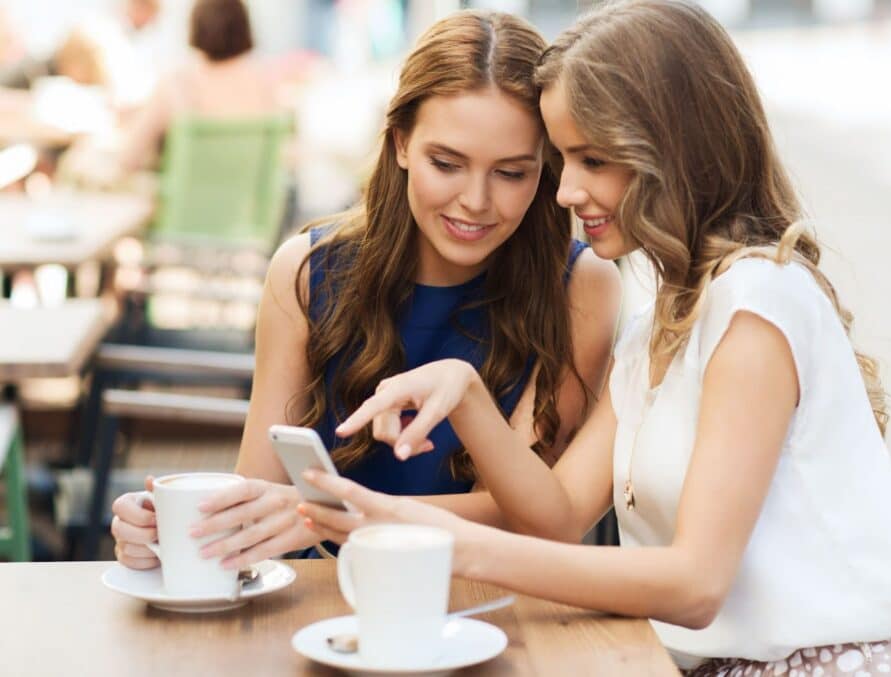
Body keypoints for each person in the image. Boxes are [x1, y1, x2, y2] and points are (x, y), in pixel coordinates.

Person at [298, 1, 891, 674]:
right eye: (563, 160)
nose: (565, 191)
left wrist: (447, 542)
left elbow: (695, 584)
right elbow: (559, 514)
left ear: (674, 149)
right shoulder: (658, 329)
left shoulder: (757, 305)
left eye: (592, 159)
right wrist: (465, 394)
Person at [109, 10, 620, 571]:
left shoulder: (581, 286)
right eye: (446, 163)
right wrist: (167, 529)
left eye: (512, 173)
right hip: (318, 604)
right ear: (400, 143)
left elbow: (532, 520)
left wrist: (326, 514)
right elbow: (258, 488)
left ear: (545, 169)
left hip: (485, 606)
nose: (476, 200)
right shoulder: (308, 271)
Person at [117, 0, 281, 171]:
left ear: (195, 27)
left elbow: (128, 158)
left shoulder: (177, 84)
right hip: (250, 198)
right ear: (245, 28)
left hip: (187, 197)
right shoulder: (264, 84)